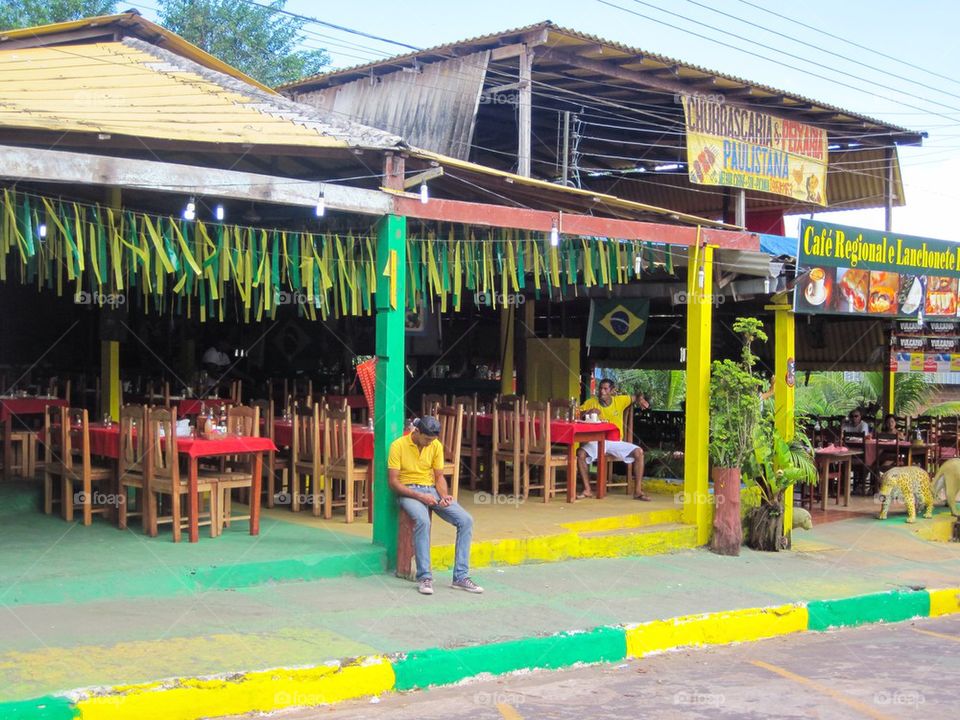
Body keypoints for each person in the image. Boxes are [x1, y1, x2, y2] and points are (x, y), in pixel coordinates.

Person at [388, 416, 483, 596]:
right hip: (408, 492)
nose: (430, 443)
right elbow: (394, 482)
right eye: (427, 439)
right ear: (416, 432)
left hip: (431, 490)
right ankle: (425, 577)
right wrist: (420, 496)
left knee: (466, 520)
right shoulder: (398, 446)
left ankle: (460, 577)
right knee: (423, 521)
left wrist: (444, 496)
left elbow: (439, 477)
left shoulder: (435, 445)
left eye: (433, 440)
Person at [576, 379, 649, 500]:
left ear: (612, 391)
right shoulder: (591, 402)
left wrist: (640, 399)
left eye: (605, 389)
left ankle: (637, 491)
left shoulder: (620, 400)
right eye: (600, 388)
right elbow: (576, 413)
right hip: (596, 442)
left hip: (615, 442)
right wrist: (587, 411)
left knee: (639, 452)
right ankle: (587, 489)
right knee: (580, 453)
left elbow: (637, 395)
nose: (601, 392)